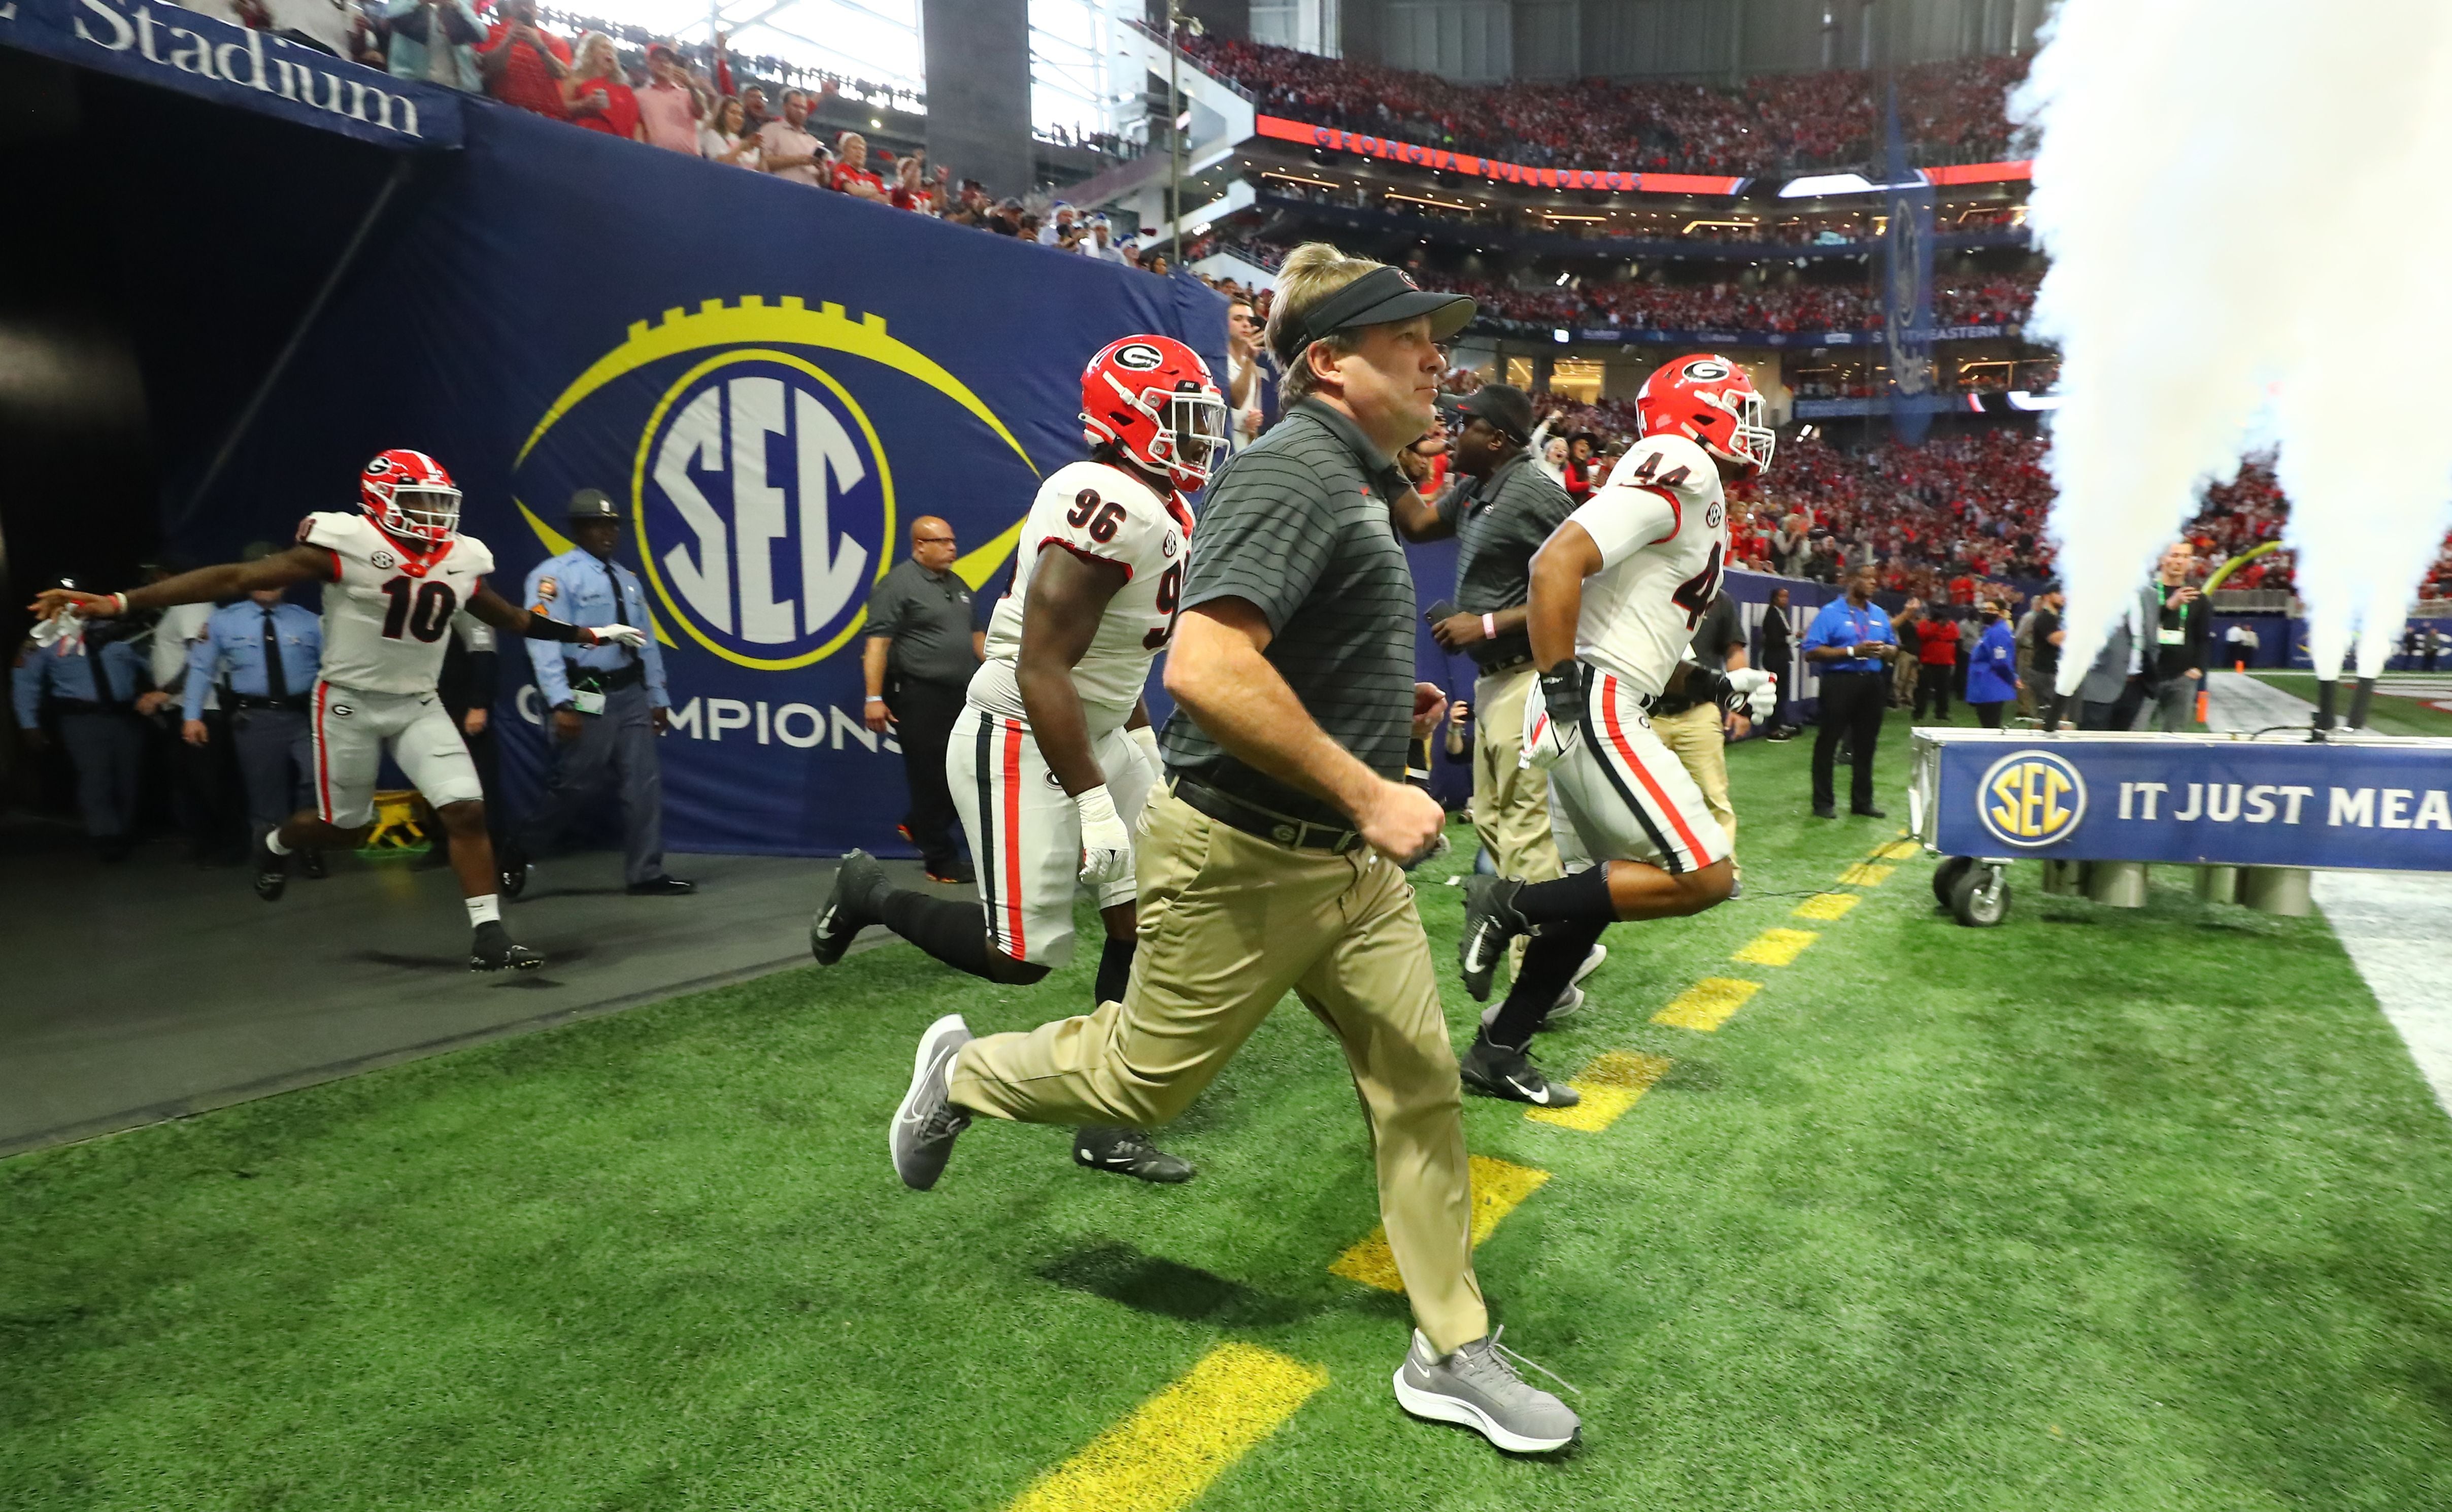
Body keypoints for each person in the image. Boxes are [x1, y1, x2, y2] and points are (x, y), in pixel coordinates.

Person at [884, 243, 1582, 1453]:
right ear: (1329, 362)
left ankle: (1450, 1342)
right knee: (1140, 1083)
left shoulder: (1341, 472)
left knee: (1417, 1084)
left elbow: (1276, 653)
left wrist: (1374, 723)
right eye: (1409, 340)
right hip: (1247, 855)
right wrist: (1368, 786)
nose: (1436, 359)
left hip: (1342, 865)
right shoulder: (1292, 468)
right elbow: (1205, 669)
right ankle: (962, 1076)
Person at [816, 335, 1224, 1185]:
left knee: (1144, 919)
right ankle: (871, 896)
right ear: (1129, 418)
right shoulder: (1102, 499)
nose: (1196, 438)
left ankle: (1106, 1116)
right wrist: (1094, 800)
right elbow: (1044, 664)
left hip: (1095, 726)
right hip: (1027, 728)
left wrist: (1138, 747)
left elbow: (1115, 660)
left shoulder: (1160, 508)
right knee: (1022, 957)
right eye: (1183, 420)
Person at [30, 450, 647, 970]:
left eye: (439, 502)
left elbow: (509, 619)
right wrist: (116, 602)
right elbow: (234, 576)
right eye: (419, 501)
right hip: (347, 701)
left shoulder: (460, 557)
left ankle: (488, 935)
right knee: (347, 827)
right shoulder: (346, 544)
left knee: (464, 808)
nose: (435, 515)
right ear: (381, 501)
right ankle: (274, 842)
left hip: (417, 703)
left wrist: (587, 637)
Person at [1458, 354, 1777, 1108]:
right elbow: (1553, 563)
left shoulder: (1695, 493)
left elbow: (1637, 630)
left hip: (1607, 690)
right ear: (1698, 414)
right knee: (1706, 876)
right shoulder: (1683, 464)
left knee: (1599, 893)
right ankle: (1505, 902)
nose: (1752, 425)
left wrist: (1712, 681)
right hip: (1593, 697)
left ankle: (1499, 1046)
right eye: (1738, 406)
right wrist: (1565, 684)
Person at [1388, 383, 1597, 1014]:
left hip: (1530, 673)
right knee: (1495, 822)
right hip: (1495, 681)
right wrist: (1377, 455)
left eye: (1470, 424)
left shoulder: (1536, 491)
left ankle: (1546, 983)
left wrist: (1482, 625)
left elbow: (1582, 584)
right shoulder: (1481, 489)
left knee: (1525, 828)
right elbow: (1420, 522)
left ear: (1500, 438)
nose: (1457, 433)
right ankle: (1565, 943)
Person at [506, 490, 692, 898]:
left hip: (629, 688)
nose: (608, 533)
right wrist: (560, 701)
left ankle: (646, 872)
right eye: (598, 524)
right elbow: (543, 642)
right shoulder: (554, 576)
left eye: (612, 525)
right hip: (585, 688)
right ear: (578, 529)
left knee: (643, 782)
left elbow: (647, 642)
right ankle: (519, 851)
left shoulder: (627, 580)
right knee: (575, 783)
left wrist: (657, 696)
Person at [182, 557, 325, 871]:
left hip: (306, 716)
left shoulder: (310, 621)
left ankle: (308, 844)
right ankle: (271, 854)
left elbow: (333, 669)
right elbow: (201, 669)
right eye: (259, 576)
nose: (268, 582)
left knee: (315, 779)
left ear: (287, 581)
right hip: (256, 718)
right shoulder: (223, 622)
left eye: (275, 576)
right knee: (265, 792)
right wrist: (192, 716)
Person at [863, 518, 983, 883]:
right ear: (919, 546)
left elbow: (974, 636)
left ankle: (918, 824)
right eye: (941, 541)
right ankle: (940, 861)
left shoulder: (957, 584)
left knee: (966, 772)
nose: (952, 548)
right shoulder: (897, 585)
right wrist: (873, 697)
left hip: (961, 695)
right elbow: (877, 645)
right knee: (931, 776)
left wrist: (1004, 666)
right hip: (919, 694)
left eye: (953, 540)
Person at [12, 587, 150, 861]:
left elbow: (151, 664)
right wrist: (29, 724)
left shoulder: (120, 632)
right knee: (95, 778)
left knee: (128, 778)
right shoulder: (44, 637)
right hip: (82, 720)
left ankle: (124, 830)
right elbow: (26, 683)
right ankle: (105, 836)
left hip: (126, 716)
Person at [1644, 587, 1750, 891]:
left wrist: (1739, 705)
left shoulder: (1719, 598)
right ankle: (1647, 873)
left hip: (1699, 713)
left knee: (1713, 795)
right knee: (1644, 795)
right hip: (1645, 711)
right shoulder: (1647, 589)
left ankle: (1727, 873)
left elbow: (1734, 652)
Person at [1799, 562, 1899, 819]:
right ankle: (1823, 803)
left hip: (1873, 682)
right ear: (1851, 580)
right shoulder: (1831, 613)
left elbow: (1894, 647)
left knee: (1867, 744)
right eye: (1867, 578)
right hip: (1840, 682)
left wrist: (1888, 651)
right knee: (1828, 741)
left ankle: (1862, 802)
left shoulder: (1879, 613)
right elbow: (1811, 651)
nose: (1873, 583)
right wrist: (1854, 651)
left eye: (1874, 579)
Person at [475, 0, 569, 120]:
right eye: (518, 4)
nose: (524, 9)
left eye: (529, 4)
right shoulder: (493, 32)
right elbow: (487, 69)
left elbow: (562, 73)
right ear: (510, 7)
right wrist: (509, 41)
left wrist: (539, 46)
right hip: (502, 111)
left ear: (536, 10)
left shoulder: (555, 41)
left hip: (546, 118)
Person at [382, 0, 483, 91]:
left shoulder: (461, 3)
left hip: (461, 90)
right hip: (413, 86)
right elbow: (392, 13)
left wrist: (458, 5)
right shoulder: (406, 6)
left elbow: (482, 34)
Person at [563, 33, 643, 141]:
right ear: (591, 51)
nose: (610, 52)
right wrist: (583, 105)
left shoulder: (624, 89)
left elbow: (636, 124)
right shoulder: (575, 79)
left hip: (620, 147)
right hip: (583, 139)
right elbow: (560, 108)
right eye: (604, 47)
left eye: (612, 50)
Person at [636, 42, 703, 155]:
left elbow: (701, 113)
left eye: (667, 61)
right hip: (658, 159)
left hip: (691, 159)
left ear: (673, 66)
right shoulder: (639, 95)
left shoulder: (687, 94)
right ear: (649, 64)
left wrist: (691, 86)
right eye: (658, 60)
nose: (663, 64)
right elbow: (637, 129)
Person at [1964, 600, 2019, 728]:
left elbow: (2001, 661)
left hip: (1992, 686)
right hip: (1986, 687)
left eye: (1991, 609)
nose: (1986, 612)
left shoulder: (1999, 632)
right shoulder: (1990, 631)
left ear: (2001, 613)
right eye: (1984, 609)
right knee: (1988, 726)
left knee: (1991, 728)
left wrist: (2012, 678)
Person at [756, 89, 825, 186]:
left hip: (812, 194)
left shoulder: (813, 141)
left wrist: (823, 172)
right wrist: (799, 160)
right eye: (796, 106)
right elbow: (763, 161)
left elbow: (825, 182)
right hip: (782, 190)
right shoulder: (771, 129)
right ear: (785, 107)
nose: (800, 111)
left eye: (803, 108)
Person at [1758, 585, 1797, 740]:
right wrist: (1792, 638)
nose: (1785, 600)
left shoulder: (1780, 613)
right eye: (1782, 597)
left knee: (1782, 694)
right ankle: (1773, 729)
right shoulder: (1772, 615)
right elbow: (1774, 640)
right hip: (1775, 659)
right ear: (1775, 598)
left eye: (1787, 597)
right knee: (1778, 694)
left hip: (1781, 658)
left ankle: (1779, 723)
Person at [2029, 587, 2068, 729]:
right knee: (2049, 716)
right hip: (2044, 672)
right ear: (2047, 597)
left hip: (2053, 671)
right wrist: (2078, 630)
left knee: (2052, 716)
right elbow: (2055, 639)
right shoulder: (2045, 617)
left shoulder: (2058, 618)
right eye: (2059, 594)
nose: (2064, 597)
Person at [1911, 607, 1958, 720]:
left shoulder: (1951, 624)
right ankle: (1919, 713)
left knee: (1943, 689)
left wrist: (1937, 635)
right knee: (1923, 689)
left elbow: (1954, 635)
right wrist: (1938, 629)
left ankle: (1942, 713)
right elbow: (1922, 635)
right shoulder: (1925, 624)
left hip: (1945, 662)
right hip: (1928, 662)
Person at [701, 96, 758, 167]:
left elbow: (760, 170)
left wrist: (761, 153)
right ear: (721, 114)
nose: (738, 118)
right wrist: (742, 148)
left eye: (741, 115)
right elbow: (720, 164)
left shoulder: (743, 141)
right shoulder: (712, 135)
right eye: (733, 113)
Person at [829, 131, 887, 199]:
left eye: (862, 149)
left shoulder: (875, 178)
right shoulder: (841, 169)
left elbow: (884, 200)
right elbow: (853, 191)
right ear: (845, 151)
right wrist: (875, 191)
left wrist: (862, 192)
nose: (859, 152)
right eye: (855, 148)